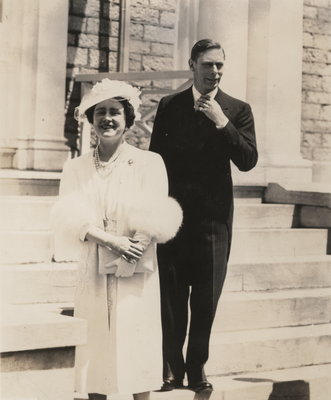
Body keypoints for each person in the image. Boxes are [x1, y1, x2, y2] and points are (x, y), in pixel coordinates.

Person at [51, 79, 182, 400]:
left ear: (128, 120)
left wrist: (131, 248)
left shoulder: (149, 162)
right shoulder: (76, 168)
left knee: (135, 342)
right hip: (94, 262)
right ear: (91, 120)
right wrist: (111, 242)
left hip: (134, 261)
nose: (108, 118)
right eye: (101, 112)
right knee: (95, 344)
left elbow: (155, 209)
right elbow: (70, 216)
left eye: (115, 112)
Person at [149, 39, 258, 393]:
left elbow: (247, 160)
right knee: (172, 296)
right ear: (192, 64)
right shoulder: (169, 105)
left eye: (220, 66)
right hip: (175, 218)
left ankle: (197, 367)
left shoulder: (237, 109)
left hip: (213, 221)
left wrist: (222, 122)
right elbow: (155, 162)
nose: (215, 72)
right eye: (208, 65)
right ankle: (171, 368)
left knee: (206, 299)